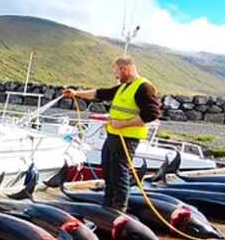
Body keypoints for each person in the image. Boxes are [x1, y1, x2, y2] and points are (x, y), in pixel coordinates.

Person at [62, 56, 161, 212]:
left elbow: (152, 114)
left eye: (116, 72)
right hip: (113, 135)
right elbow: (100, 93)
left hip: (127, 137)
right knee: (107, 169)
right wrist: (76, 93)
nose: (115, 76)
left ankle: (119, 208)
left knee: (119, 172)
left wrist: (123, 123)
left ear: (125, 69)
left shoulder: (144, 87)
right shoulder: (124, 86)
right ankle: (108, 204)